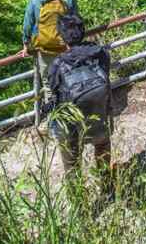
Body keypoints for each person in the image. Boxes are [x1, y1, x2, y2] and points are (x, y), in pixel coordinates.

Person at [44, 14, 113, 187]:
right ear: (83, 31)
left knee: (72, 165)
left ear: (61, 36)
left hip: (72, 125)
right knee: (103, 147)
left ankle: (80, 208)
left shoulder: (57, 65)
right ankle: (107, 187)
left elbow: (55, 93)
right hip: (99, 114)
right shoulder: (100, 53)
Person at [22, 0, 78, 105]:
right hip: (65, 48)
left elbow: (28, 23)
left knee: (48, 86)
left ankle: (54, 120)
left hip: (44, 49)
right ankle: (70, 116)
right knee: (67, 82)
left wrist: (26, 45)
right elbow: (76, 23)